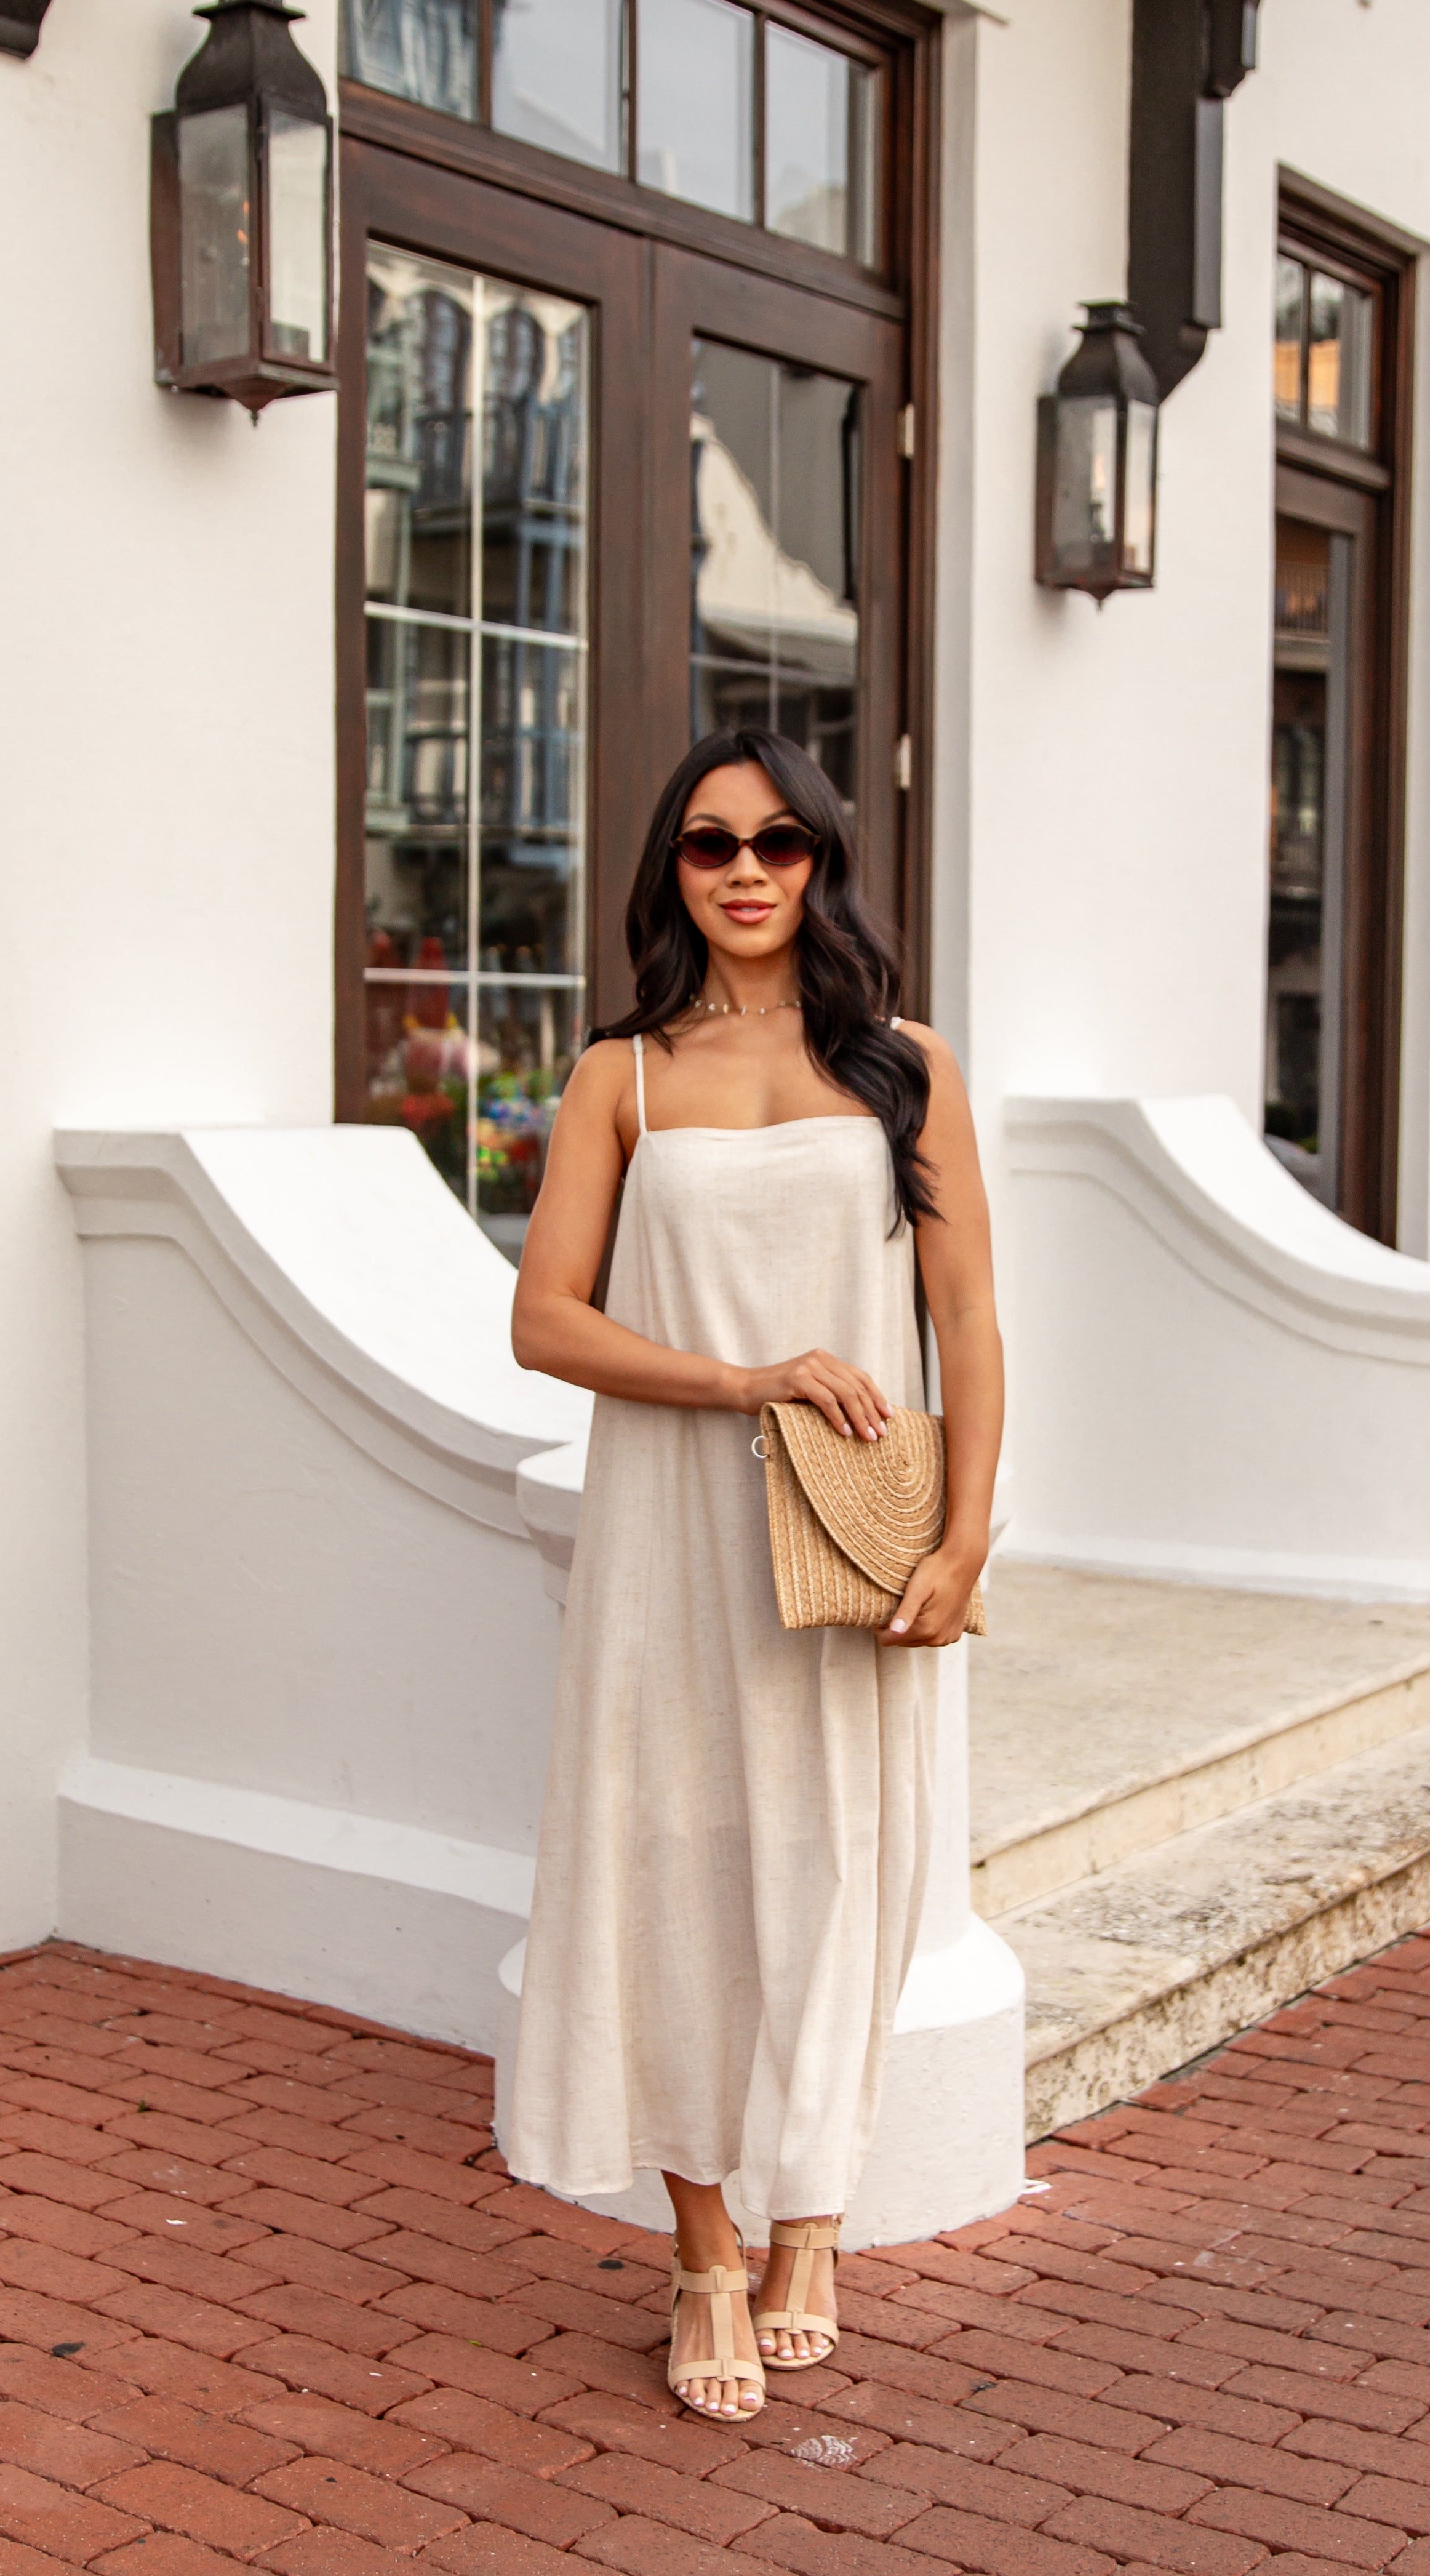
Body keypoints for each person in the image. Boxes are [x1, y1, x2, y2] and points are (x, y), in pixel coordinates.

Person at [505, 726, 1004, 2422]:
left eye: (779, 844)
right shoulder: (620, 1078)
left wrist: (964, 1534)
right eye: (710, 843)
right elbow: (543, 1320)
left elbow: (969, 1325)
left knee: (840, 1881)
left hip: (854, 1549)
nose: (742, 870)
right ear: (669, 870)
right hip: (672, 1544)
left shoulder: (904, 1065)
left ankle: (814, 2219)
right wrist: (749, 1378)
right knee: (673, 1880)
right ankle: (702, 2250)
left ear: (822, 866)